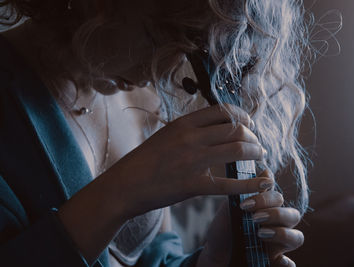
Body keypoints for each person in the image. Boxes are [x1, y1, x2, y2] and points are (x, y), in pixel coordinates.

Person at [0, 0, 310, 266]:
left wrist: (212, 259)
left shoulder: (145, 105)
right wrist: (122, 191)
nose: (161, 71)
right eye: (158, 34)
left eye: (186, 46)